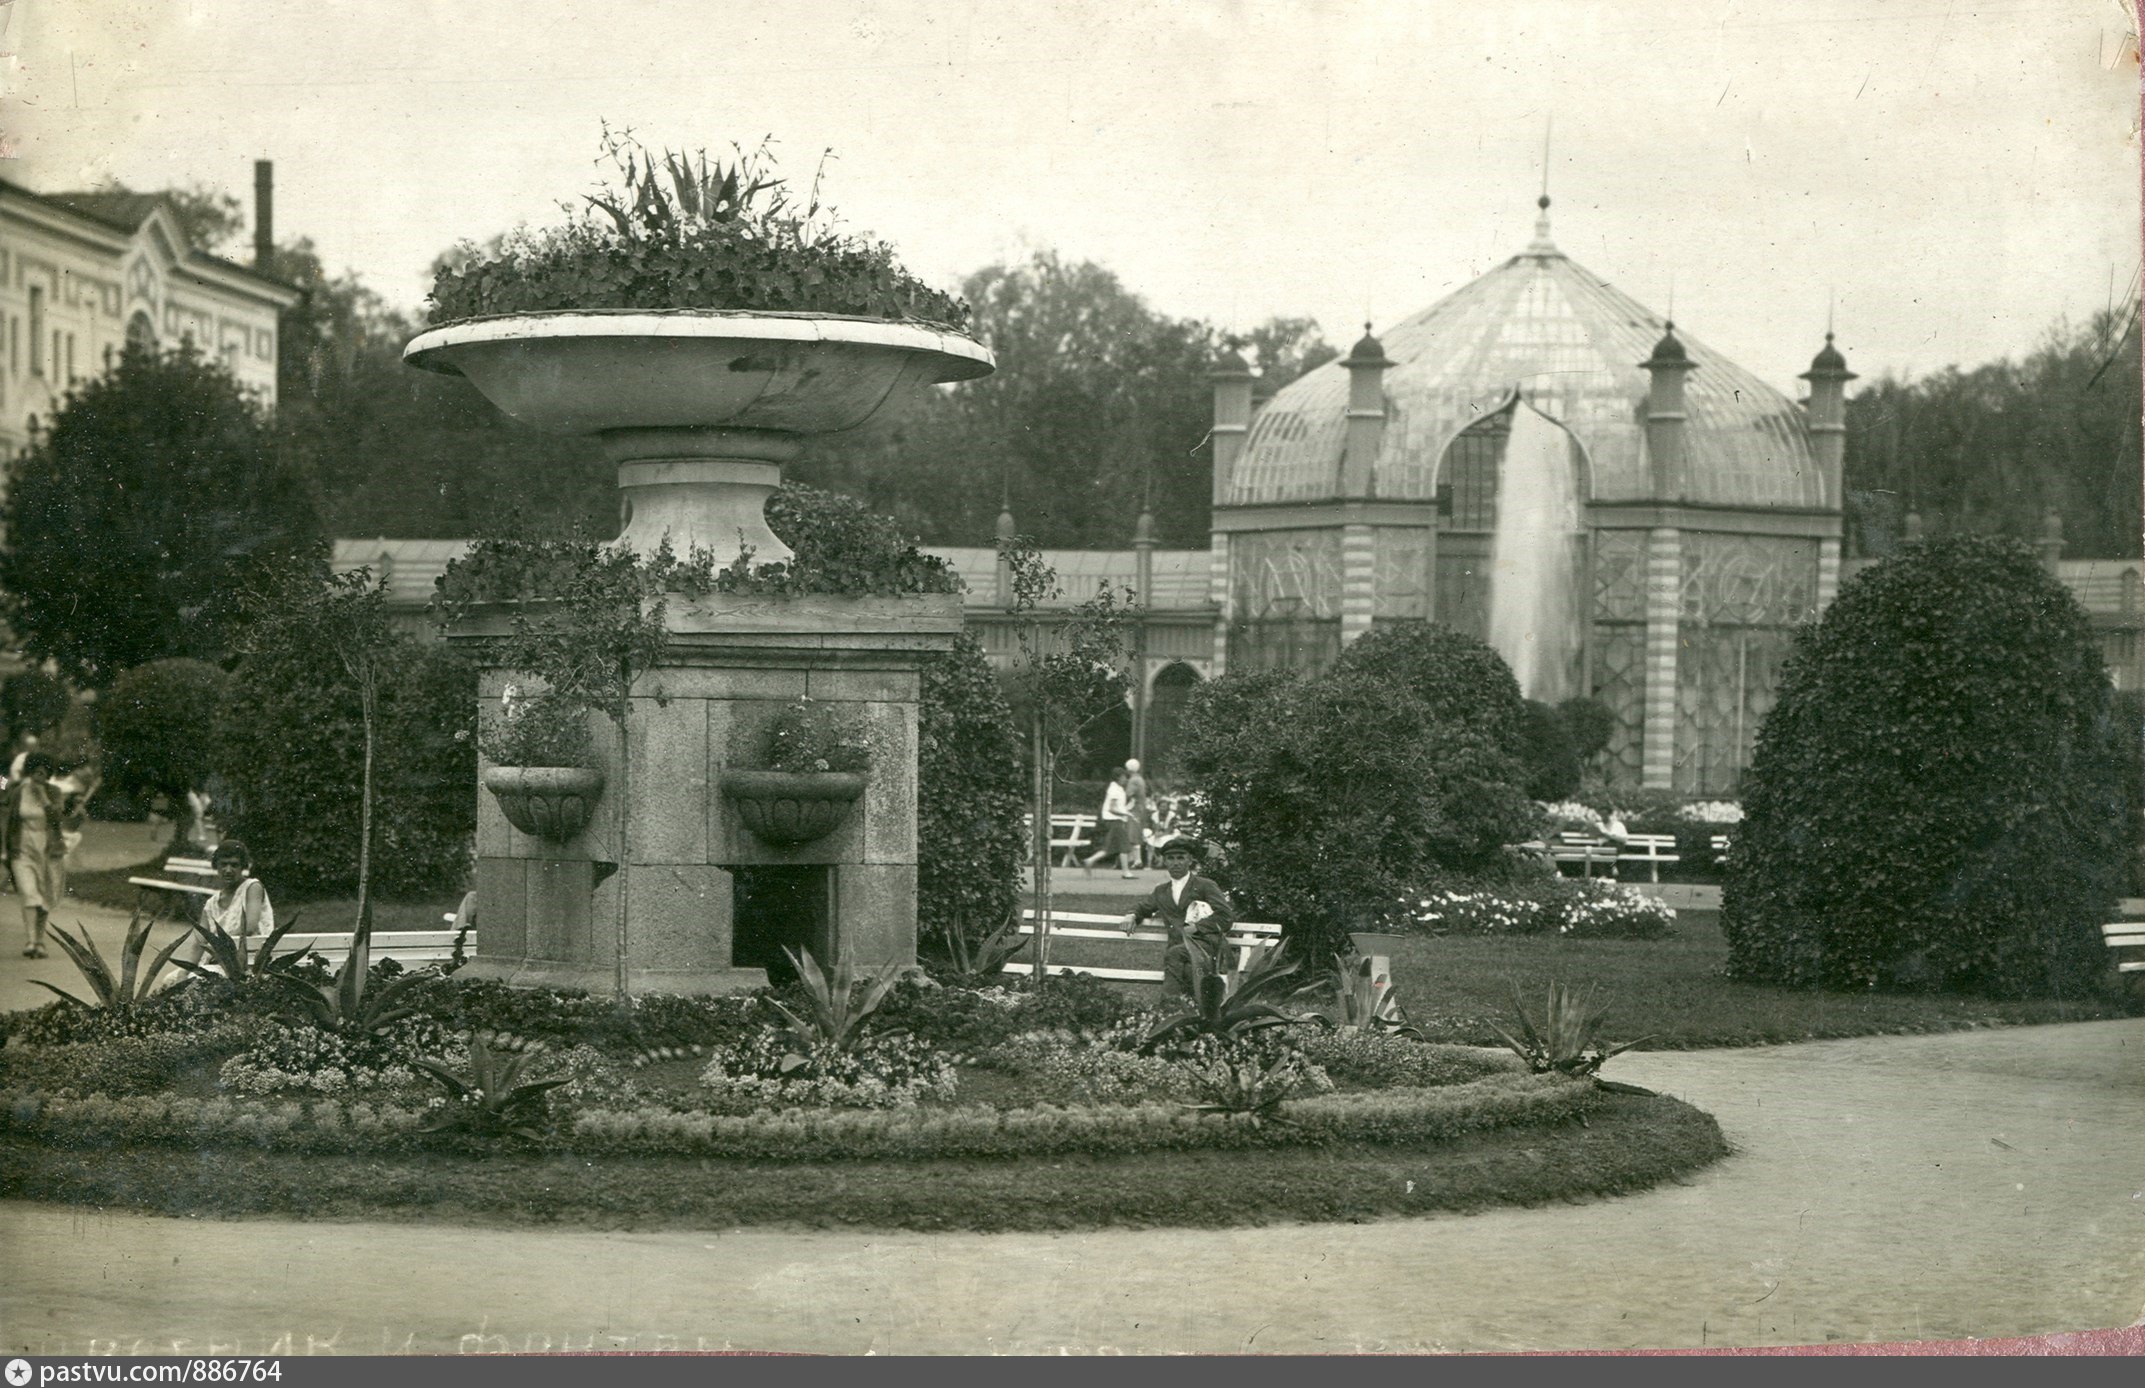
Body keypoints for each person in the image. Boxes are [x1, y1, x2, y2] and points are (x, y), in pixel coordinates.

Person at [1122, 836, 1237, 1002]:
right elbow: (1144, 907)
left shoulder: (1205, 885)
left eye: (1181, 858)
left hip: (1204, 946)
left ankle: (1168, 1006)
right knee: (1187, 969)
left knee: (1175, 955)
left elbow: (1226, 916)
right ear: (1165, 861)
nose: (1176, 863)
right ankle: (1192, 1008)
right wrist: (1131, 915)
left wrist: (1198, 927)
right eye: (1170, 858)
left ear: (1190, 860)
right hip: (1179, 951)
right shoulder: (1161, 891)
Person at [2, 752, 84, 957]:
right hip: (21, 850)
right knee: (29, 893)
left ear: (48, 774)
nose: (39, 776)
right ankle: (31, 941)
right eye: (36, 772)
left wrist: (44, 798)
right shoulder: (18, 791)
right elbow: (7, 820)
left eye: (44, 772)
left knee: (45, 896)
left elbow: (57, 819)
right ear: (29, 772)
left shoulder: (54, 792)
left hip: (49, 851)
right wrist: (4, 850)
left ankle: (39, 940)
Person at [179, 839, 274, 968]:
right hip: (217, 962)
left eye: (234, 865)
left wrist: (219, 949)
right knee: (172, 978)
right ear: (216, 866)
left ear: (243, 866)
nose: (228, 870)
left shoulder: (252, 888)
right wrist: (185, 971)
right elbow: (199, 942)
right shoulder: (211, 904)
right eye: (223, 864)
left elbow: (249, 927)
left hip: (249, 963)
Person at [1082, 769, 1139, 878]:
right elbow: (1112, 809)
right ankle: (1126, 872)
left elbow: (1118, 807)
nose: (1126, 779)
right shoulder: (1114, 789)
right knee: (1123, 846)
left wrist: (1128, 808)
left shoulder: (1118, 789)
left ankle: (1089, 861)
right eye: (1123, 777)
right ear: (1118, 777)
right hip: (1114, 821)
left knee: (1109, 848)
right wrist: (1127, 814)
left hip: (1116, 820)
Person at [1122, 759, 1149, 867]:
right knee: (1135, 833)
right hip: (1140, 808)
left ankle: (1136, 860)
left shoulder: (1133, 780)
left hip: (1134, 809)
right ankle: (1133, 859)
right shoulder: (1140, 779)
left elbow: (1128, 794)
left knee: (1133, 833)